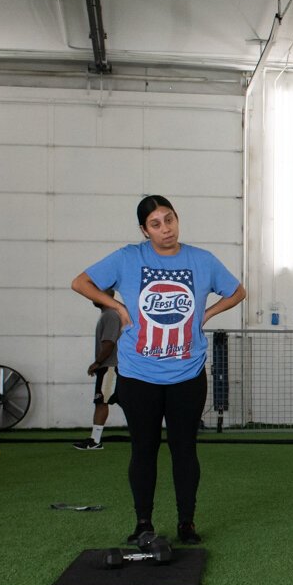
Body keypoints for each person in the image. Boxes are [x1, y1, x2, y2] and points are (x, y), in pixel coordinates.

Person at [71, 195, 245, 545]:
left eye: (170, 219)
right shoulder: (127, 258)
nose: (166, 229)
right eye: (156, 224)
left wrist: (207, 314)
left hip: (187, 373)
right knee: (144, 449)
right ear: (144, 230)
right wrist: (117, 306)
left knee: (184, 449)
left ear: (177, 219)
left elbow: (237, 291)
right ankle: (143, 523)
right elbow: (81, 282)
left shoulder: (202, 260)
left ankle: (186, 522)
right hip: (138, 375)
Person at [74, 291, 122, 450]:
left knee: (101, 402)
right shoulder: (108, 315)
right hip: (110, 366)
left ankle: (95, 441)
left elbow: (109, 343)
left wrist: (97, 362)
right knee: (117, 402)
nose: (92, 297)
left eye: (96, 295)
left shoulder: (110, 315)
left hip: (109, 367)